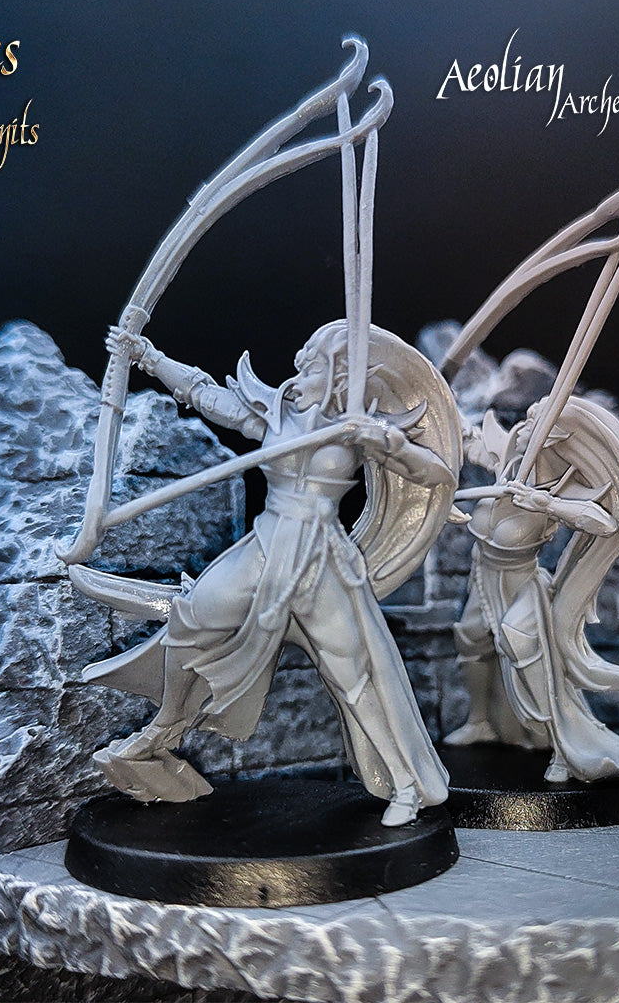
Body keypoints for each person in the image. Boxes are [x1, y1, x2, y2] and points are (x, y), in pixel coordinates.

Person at [86, 321, 455, 826]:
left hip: (321, 560)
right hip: (265, 547)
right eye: (301, 364)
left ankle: (406, 787)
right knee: (191, 618)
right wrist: (147, 356)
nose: (299, 375)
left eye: (313, 366)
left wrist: (390, 443)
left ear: (340, 377)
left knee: (353, 676)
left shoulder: (359, 429)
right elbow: (206, 395)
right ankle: (164, 729)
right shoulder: (278, 414)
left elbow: (437, 475)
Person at [448, 396, 619, 782]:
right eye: (528, 419)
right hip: (482, 573)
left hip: (521, 582)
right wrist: (442, 399)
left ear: (555, 438)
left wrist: (546, 504)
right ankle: (480, 721)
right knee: (471, 638)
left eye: (535, 423)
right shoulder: (510, 463)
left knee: (520, 641)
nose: (524, 427)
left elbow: (604, 523)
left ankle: (560, 743)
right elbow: (472, 441)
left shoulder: (563, 487)